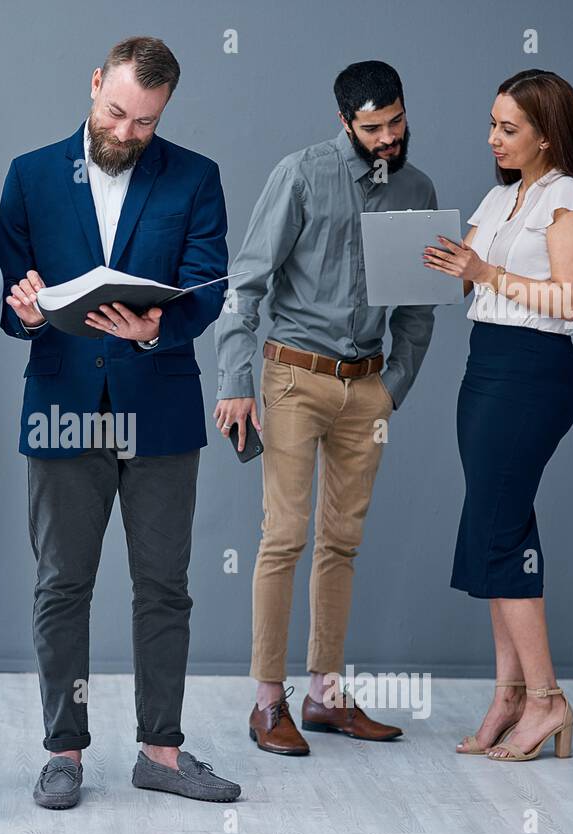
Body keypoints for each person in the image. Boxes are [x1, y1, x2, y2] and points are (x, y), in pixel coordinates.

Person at [0, 36, 240, 809]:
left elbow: (206, 284)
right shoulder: (31, 175)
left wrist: (156, 331)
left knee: (164, 586)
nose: (126, 133)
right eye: (116, 112)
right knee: (63, 583)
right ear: (96, 82)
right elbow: (9, 288)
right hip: (64, 407)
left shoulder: (196, 176)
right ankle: (63, 750)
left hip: (160, 409)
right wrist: (29, 311)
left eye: (144, 122)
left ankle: (160, 752)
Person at [214, 61, 437, 756]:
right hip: (292, 377)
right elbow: (247, 282)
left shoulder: (417, 188)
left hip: (365, 385)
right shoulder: (303, 174)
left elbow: (420, 306)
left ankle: (326, 696)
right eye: (373, 127)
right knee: (284, 537)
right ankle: (267, 703)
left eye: (396, 122)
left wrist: (390, 388)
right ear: (345, 121)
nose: (389, 138)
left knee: (343, 540)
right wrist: (234, 378)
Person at [423, 69, 573, 761]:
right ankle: (509, 694)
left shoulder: (566, 200)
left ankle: (547, 699)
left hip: (535, 373)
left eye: (509, 128)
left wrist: (484, 273)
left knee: (499, 531)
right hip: (486, 365)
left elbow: (569, 301)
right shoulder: (503, 197)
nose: (494, 138)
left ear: (546, 134)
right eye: (493, 124)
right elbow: (457, 265)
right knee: (497, 524)